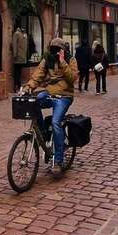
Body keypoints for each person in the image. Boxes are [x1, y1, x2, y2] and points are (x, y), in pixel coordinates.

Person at [22, 38, 78, 172]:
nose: (55, 52)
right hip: (49, 93)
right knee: (34, 102)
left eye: (57, 49)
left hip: (64, 96)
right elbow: (37, 75)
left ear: (64, 50)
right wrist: (28, 87)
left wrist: (62, 61)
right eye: (53, 49)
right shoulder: (47, 59)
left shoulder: (71, 60)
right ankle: (43, 133)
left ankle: (58, 161)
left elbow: (72, 78)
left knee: (55, 122)